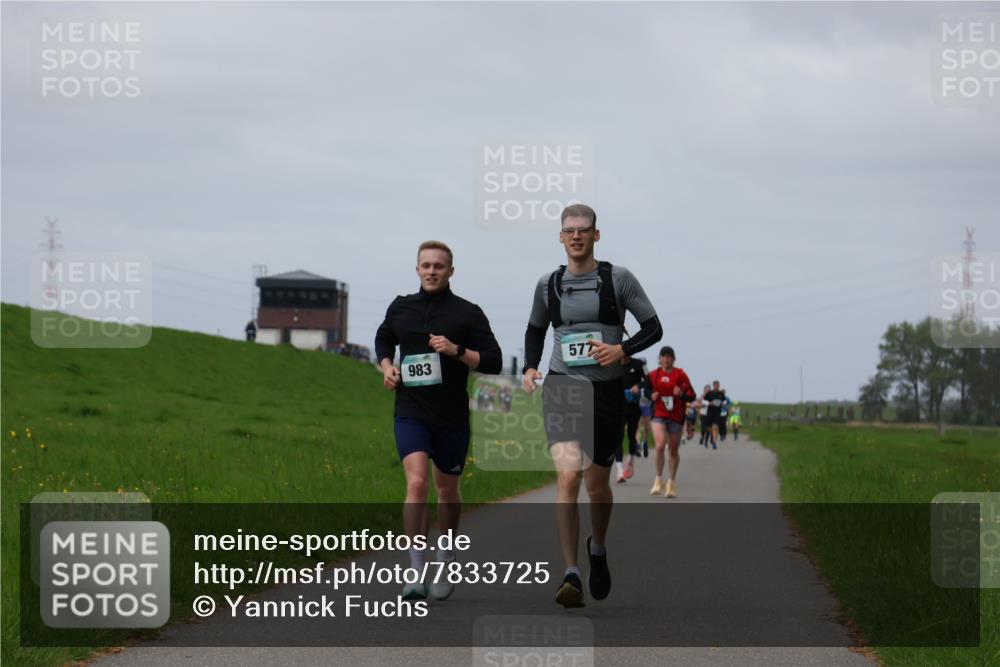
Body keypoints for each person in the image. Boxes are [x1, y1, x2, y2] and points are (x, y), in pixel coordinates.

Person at [522, 204, 662, 608]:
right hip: (563, 385)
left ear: (596, 235)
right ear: (561, 237)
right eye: (569, 231)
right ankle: (570, 572)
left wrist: (622, 349)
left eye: (584, 230)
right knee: (568, 478)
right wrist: (531, 366)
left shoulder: (618, 279)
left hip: (605, 392)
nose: (577, 236)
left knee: (598, 486)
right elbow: (535, 328)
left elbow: (654, 327)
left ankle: (596, 547)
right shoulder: (548, 284)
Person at [375, 240, 503, 601]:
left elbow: (492, 361)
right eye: (426, 265)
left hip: (451, 417)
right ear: (417, 269)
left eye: (439, 266)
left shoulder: (468, 313)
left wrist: (457, 351)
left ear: (451, 271)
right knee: (416, 485)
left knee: (447, 490)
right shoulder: (401, 307)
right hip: (411, 412)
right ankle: (415, 572)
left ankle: (445, 559)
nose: (432, 271)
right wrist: (388, 368)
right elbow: (383, 339)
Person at [647, 346, 696, 498]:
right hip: (659, 414)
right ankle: (658, 479)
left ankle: (671, 482)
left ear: (673, 359)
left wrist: (681, 394)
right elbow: (645, 389)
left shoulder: (680, 375)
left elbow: (691, 395)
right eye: (664, 356)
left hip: (676, 415)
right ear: (660, 359)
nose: (666, 359)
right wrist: (651, 395)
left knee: (673, 451)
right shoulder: (654, 375)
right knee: (660, 445)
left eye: (669, 357)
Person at [615, 356, 647, 483]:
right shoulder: (614, 364)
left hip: (634, 407)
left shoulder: (639, 364)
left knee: (632, 435)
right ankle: (619, 471)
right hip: (618, 407)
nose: (624, 357)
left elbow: (649, 379)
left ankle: (631, 461)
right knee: (619, 437)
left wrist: (638, 386)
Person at [704, 380, 726, 449]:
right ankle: (712, 435)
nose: (716, 386)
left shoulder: (721, 393)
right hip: (710, 412)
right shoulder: (710, 393)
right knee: (708, 428)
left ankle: (714, 442)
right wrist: (709, 403)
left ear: (719, 386)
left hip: (717, 413)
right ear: (713, 386)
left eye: (717, 385)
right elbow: (704, 401)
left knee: (715, 427)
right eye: (715, 385)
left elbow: (724, 401)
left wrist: (723, 403)